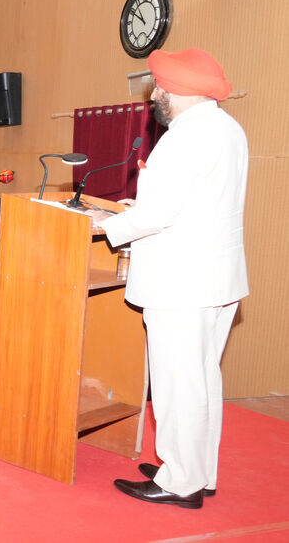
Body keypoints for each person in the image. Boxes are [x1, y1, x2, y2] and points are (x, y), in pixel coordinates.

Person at [90, 48, 247, 510]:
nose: (155, 94)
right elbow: (196, 202)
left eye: (159, 86)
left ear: (178, 90)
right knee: (201, 382)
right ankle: (196, 471)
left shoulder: (184, 137)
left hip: (181, 282)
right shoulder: (227, 129)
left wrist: (107, 224)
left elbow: (158, 214)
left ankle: (180, 483)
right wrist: (140, 210)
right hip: (214, 279)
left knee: (179, 385)